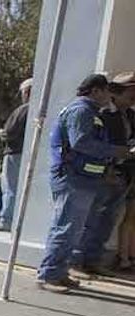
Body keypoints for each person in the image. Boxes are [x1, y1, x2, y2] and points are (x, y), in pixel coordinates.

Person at [36, 74, 134, 292]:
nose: (110, 95)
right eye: (107, 90)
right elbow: (80, 142)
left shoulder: (91, 113)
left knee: (73, 228)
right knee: (66, 227)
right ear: (95, 91)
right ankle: (49, 274)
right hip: (72, 178)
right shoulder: (81, 111)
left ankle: (59, 273)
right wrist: (118, 152)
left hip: (83, 179)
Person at [73, 71, 135, 274]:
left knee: (107, 220)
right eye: (131, 94)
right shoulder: (102, 115)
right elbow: (94, 144)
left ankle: (93, 261)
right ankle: (77, 261)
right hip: (104, 174)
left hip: (123, 175)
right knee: (91, 219)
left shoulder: (130, 116)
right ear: (116, 92)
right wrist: (108, 167)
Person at [0, 78, 32, 231]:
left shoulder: (23, 110)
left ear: (27, 92)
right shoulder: (39, 110)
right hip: (29, 154)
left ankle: (6, 221)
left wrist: (2, 133)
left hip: (14, 154)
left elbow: (10, 133)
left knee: (10, 187)